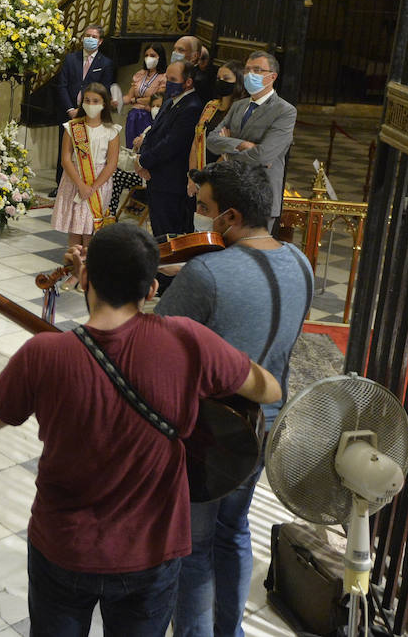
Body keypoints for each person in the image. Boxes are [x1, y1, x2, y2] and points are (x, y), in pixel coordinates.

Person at [0, 222, 282, 636]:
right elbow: (268, 388)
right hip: (152, 550)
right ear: (150, 290)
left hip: (63, 548)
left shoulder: (44, 354)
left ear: (86, 278)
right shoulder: (187, 340)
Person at [158, 159, 314, 637]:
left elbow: (156, 346)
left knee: (196, 546)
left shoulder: (207, 273)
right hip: (266, 427)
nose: (200, 217)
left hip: (210, 433)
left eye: (205, 208)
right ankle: (232, 632)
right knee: (234, 531)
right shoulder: (300, 261)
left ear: (230, 217)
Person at [207, 50, 297, 231]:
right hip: (232, 193)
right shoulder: (238, 105)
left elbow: (263, 155)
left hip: (260, 197)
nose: (250, 75)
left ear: (272, 76)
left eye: (257, 70)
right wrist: (242, 144)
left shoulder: (285, 111)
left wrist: (228, 149)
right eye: (247, 70)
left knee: (253, 255)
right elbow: (212, 140)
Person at [135, 59, 206, 237]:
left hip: (172, 183)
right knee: (158, 232)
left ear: (188, 82)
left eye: (172, 79)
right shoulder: (169, 101)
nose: (167, 82)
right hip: (155, 177)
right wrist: (141, 159)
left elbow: (172, 143)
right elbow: (153, 133)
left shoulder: (192, 106)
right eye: (167, 77)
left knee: (169, 235)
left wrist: (144, 161)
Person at [52, 82, 120, 249]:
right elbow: (66, 159)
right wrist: (81, 185)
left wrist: (93, 187)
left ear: (104, 103)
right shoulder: (73, 127)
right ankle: (73, 266)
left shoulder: (112, 130)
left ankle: (88, 269)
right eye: (87, 100)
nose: (90, 105)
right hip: (75, 180)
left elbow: (111, 164)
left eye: (95, 101)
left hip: (99, 184)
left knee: (91, 228)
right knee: (75, 227)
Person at [51, 24, 117, 193]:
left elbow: (104, 88)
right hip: (69, 111)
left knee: (86, 150)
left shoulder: (106, 63)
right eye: (87, 35)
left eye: (94, 37)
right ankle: (61, 185)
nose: (90, 39)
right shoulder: (71, 59)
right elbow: (62, 85)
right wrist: (70, 109)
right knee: (65, 149)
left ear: (100, 41)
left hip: (91, 113)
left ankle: (85, 183)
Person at [187, 60, 247, 197]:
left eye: (226, 79)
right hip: (199, 177)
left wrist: (206, 178)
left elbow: (230, 150)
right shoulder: (211, 106)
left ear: (238, 82)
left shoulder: (240, 112)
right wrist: (193, 176)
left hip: (221, 178)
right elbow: (196, 141)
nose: (221, 81)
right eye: (218, 78)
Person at [121, 43, 167, 143]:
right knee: (131, 145)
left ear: (160, 57)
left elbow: (155, 99)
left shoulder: (163, 77)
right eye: (146, 55)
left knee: (144, 145)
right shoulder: (140, 74)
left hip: (149, 115)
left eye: (152, 55)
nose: (148, 58)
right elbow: (129, 96)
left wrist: (135, 100)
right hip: (133, 116)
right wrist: (118, 101)